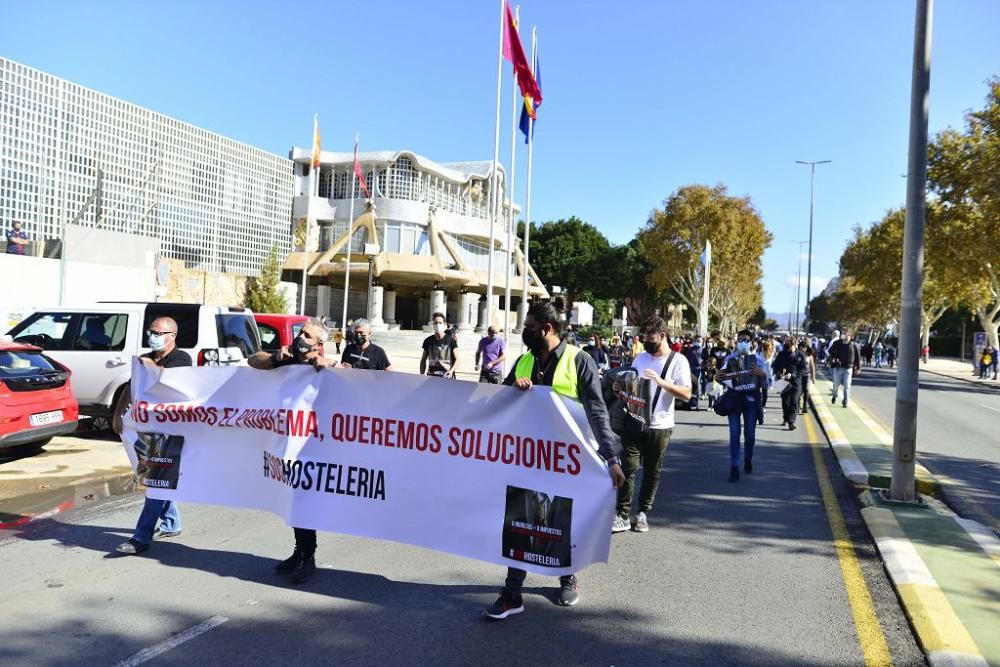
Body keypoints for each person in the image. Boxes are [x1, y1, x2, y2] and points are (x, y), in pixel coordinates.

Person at [483, 302, 624, 620]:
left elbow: (597, 411)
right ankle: (512, 593)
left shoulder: (579, 361)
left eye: (529, 326)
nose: (524, 332)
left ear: (546, 329)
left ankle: (567, 575)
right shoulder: (523, 362)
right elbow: (499, 403)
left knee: (561, 519)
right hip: (527, 458)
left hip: (565, 460)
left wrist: (611, 457)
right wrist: (515, 391)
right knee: (519, 521)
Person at [248, 318, 337, 583]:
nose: (300, 337)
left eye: (307, 335)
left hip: (314, 444)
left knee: (304, 500)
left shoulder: (321, 364)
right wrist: (276, 357)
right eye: (300, 332)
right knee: (293, 500)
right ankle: (298, 552)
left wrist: (330, 366)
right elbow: (255, 360)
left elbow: (351, 378)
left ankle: (307, 557)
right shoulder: (288, 358)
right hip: (288, 442)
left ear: (318, 343)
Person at [115, 317, 191, 556]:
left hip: (172, 432)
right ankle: (171, 523)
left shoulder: (181, 359)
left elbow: (164, 383)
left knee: (156, 481)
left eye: (158, 333)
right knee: (159, 479)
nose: (153, 336)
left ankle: (141, 536)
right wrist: (118, 413)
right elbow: (131, 387)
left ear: (172, 336)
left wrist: (148, 366)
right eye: (151, 332)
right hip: (150, 430)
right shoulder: (146, 359)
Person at [612, 316, 691, 534]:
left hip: (661, 425)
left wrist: (662, 382)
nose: (647, 342)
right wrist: (621, 387)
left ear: (663, 336)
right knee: (627, 467)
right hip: (635, 421)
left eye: (651, 338)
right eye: (644, 337)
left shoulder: (678, 361)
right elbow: (632, 386)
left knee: (652, 471)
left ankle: (643, 513)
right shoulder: (640, 358)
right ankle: (622, 514)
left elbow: (686, 393)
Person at [718, 330, 767, 482]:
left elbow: (767, 383)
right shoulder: (730, 359)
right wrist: (717, 376)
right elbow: (721, 377)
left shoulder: (759, 360)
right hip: (734, 400)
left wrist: (762, 374)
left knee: (750, 435)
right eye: (740, 339)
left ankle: (748, 458)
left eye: (745, 339)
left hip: (751, 401)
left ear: (751, 342)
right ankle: (734, 467)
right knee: (734, 434)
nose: (742, 342)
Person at [771, 337, 808, 431]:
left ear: (795, 344)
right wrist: (778, 373)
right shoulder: (782, 354)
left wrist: (794, 375)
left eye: (792, 343)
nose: (790, 345)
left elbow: (804, 369)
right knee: (785, 402)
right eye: (788, 344)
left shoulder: (801, 355)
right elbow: (774, 366)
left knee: (794, 401)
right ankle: (786, 418)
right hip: (784, 381)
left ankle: (791, 422)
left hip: (796, 381)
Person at [829, 328, 861, 408]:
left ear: (849, 335)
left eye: (844, 333)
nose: (843, 334)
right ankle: (834, 395)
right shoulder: (838, 343)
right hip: (839, 367)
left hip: (848, 368)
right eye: (842, 333)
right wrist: (834, 357)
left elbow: (858, 357)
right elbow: (830, 350)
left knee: (847, 386)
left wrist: (858, 367)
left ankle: (845, 401)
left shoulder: (854, 345)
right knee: (836, 384)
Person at [420, 312, 459, 378]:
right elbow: (423, 359)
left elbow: (457, 359)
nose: (438, 325)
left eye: (440, 323)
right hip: (431, 376)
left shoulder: (451, 340)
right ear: (433, 325)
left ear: (444, 324)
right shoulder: (428, 341)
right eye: (435, 323)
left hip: (446, 376)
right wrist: (422, 374)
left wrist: (451, 371)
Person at [683, 337, 703, 410]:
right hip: (691, 369)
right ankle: (690, 403)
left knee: (697, 385)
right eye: (698, 340)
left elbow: (705, 359)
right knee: (691, 385)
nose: (699, 342)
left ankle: (696, 404)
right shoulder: (691, 349)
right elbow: (686, 358)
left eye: (700, 341)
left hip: (699, 369)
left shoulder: (703, 349)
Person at [800, 341, 816, 414]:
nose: (803, 348)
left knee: (806, 390)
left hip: (806, 375)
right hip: (798, 375)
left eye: (804, 347)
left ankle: (805, 406)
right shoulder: (797, 354)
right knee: (799, 391)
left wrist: (813, 377)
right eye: (802, 347)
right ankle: (797, 404)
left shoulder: (809, 356)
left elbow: (812, 366)